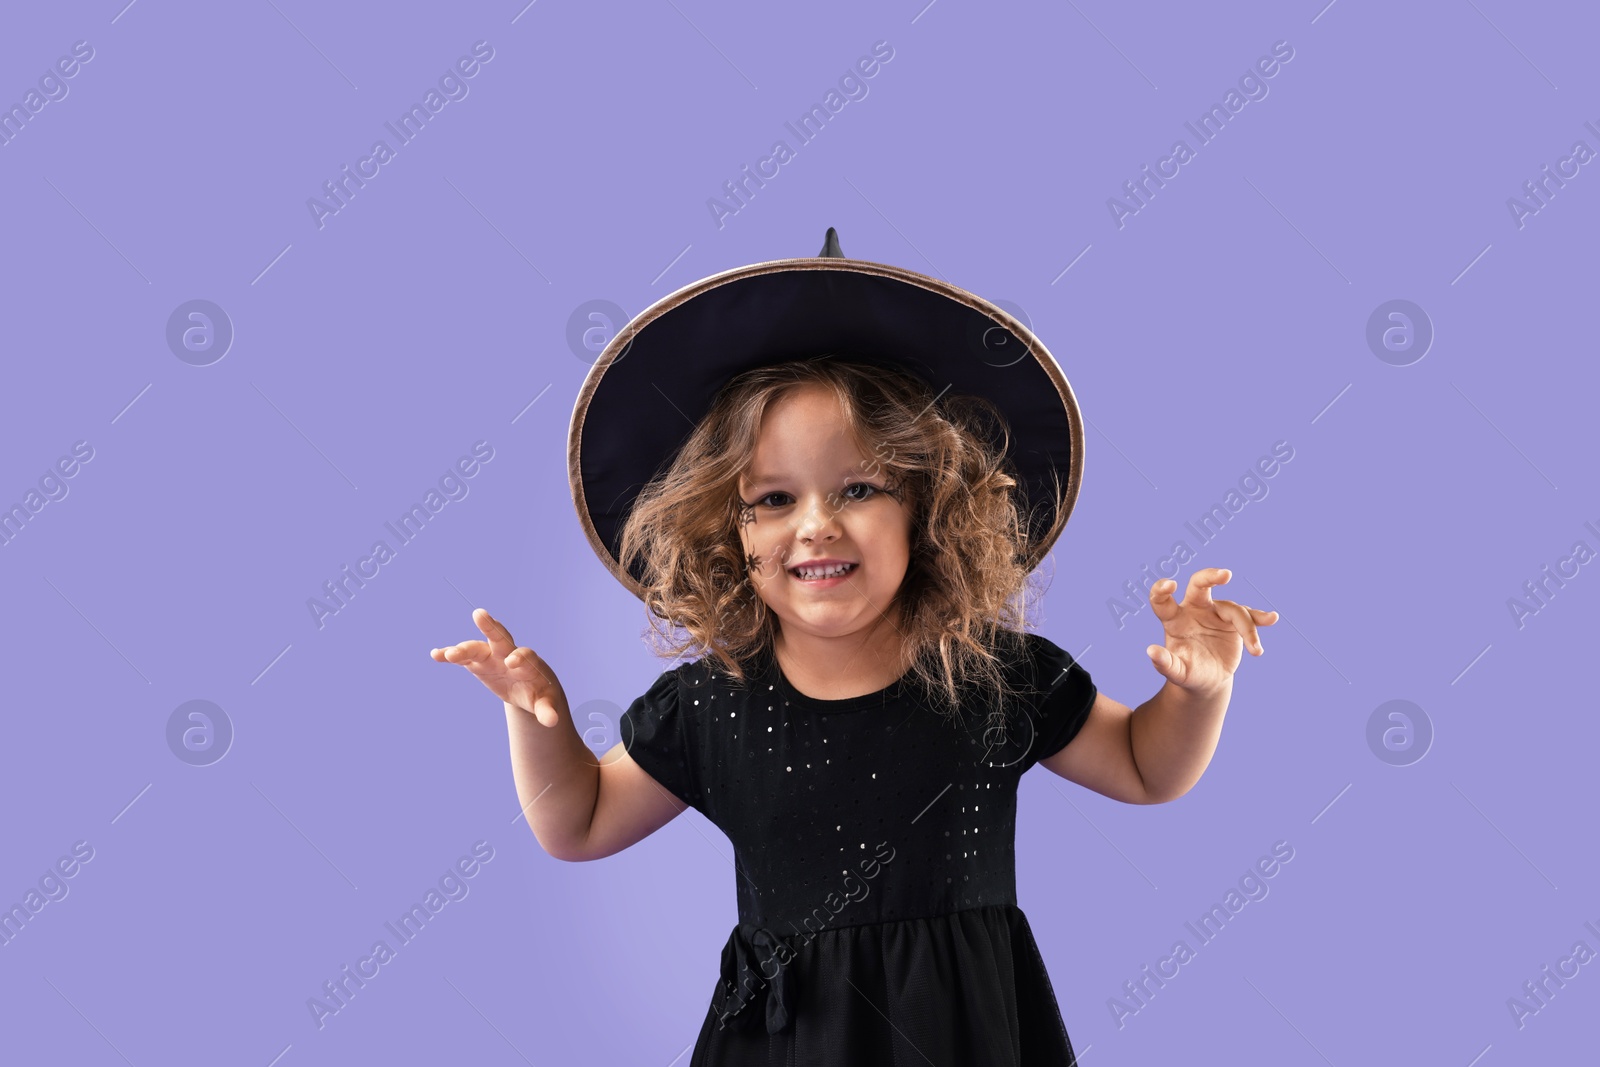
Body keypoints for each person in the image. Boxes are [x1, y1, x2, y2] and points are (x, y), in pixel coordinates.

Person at [430, 229, 1278, 1064]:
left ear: (930, 508)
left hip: (967, 1037)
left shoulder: (992, 676)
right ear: (726, 532)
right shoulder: (712, 703)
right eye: (770, 498)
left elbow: (1143, 766)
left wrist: (1199, 693)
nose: (815, 525)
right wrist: (534, 717)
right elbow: (575, 821)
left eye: (860, 486)